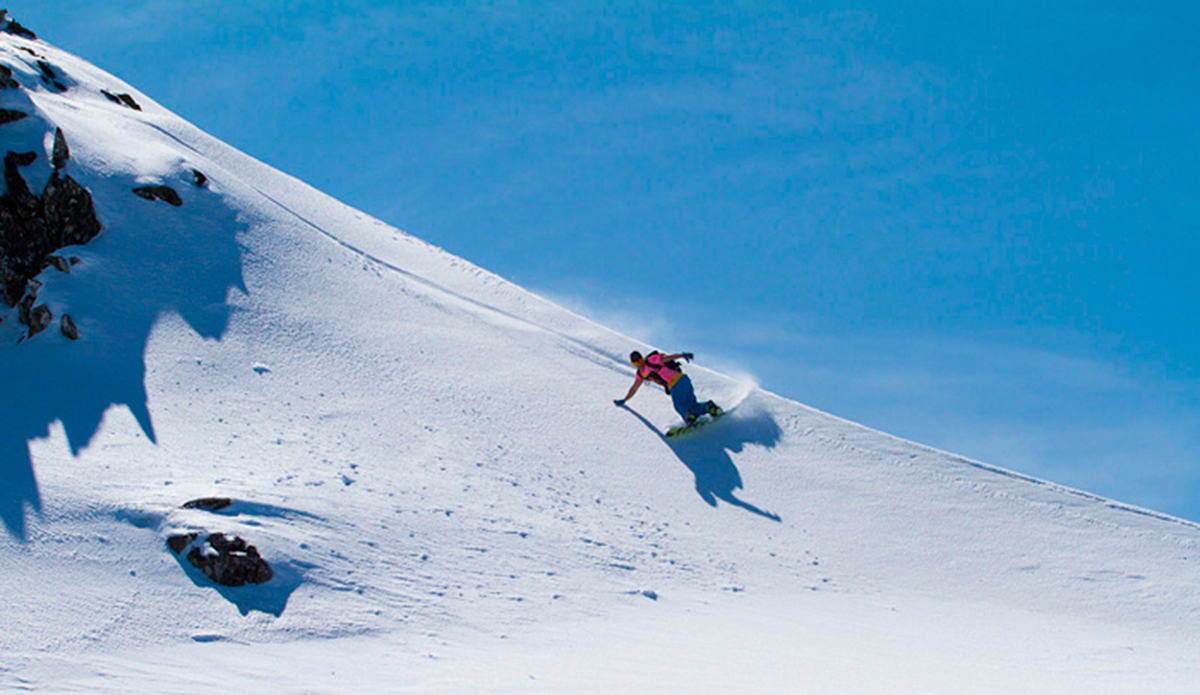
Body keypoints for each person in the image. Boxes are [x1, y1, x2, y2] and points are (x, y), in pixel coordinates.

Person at [614, 350, 723, 425]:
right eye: (637, 363)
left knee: (679, 406)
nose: (640, 364)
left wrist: (682, 355)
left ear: (642, 359)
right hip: (683, 379)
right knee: (692, 405)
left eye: (640, 361)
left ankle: (690, 419)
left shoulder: (650, 360)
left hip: (676, 383)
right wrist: (625, 399)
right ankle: (709, 407)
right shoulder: (641, 374)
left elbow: (667, 358)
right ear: (634, 364)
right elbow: (634, 388)